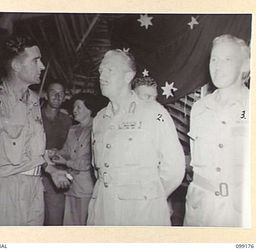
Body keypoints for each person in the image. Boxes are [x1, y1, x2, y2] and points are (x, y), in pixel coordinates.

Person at [0, 35, 71, 226]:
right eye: (36, 60)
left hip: (35, 192)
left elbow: (33, 149)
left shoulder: (35, 101)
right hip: (4, 191)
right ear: (16, 66)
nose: (42, 66)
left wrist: (50, 169)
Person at [87, 49, 185, 226]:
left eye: (110, 70)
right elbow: (99, 169)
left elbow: (174, 169)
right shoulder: (100, 118)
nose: (102, 75)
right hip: (102, 209)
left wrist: (149, 197)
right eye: (101, 70)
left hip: (141, 213)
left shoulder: (154, 113)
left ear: (128, 76)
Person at [184, 34, 250, 227]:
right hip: (199, 210)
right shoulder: (199, 109)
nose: (217, 66)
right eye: (214, 59)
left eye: (227, 59)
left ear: (245, 66)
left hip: (238, 212)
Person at [51, 93, 100, 225]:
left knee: (84, 225)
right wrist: (56, 154)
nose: (74, 110)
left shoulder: (97, 129)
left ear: (89, 110)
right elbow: (67, 151)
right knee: (70, 224)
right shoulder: (73, 129)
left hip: (86, 188)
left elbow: (89, 162)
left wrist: (66, 162)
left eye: (78, 107)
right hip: (71, 186)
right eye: (74, 107)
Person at [41, 81, 72, 226]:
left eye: (61, 93)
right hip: (33, 174)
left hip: (56, 177)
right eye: (53, 92)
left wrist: (60, 153)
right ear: (46, 95)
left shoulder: (67, 121)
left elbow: (72, 149)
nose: (57, 96)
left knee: (54, 222)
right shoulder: (34, 117)